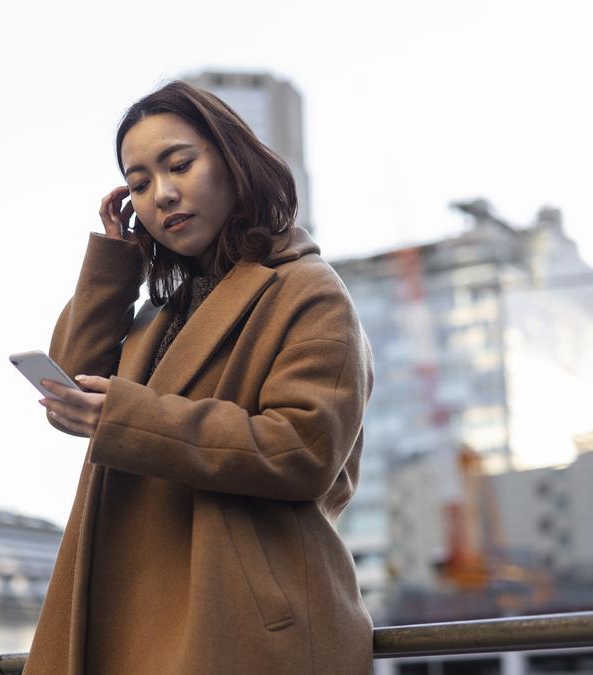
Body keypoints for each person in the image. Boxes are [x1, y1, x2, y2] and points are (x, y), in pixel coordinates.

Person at [27, 81, 375, 674]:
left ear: (233, 163)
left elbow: (303, 447)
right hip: (132, 611)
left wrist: (130, 418)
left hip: (239, 621)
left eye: (180, 164)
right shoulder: (163, 311)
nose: (161, 194)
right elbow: (73, 378)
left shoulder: (305, 290)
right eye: (138, 184)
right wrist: (116, 263)